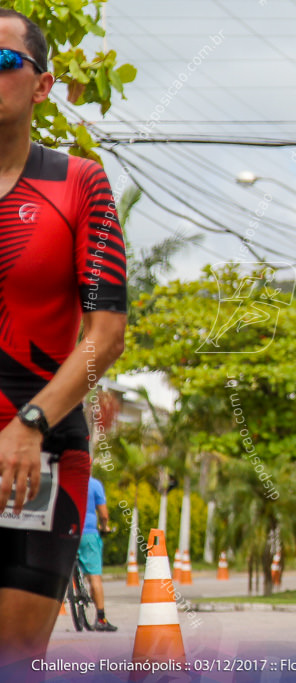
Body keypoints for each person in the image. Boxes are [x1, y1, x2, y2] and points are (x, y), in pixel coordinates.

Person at [0, 9, 127, 675]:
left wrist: (32, 420)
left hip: (39, 454)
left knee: (15, 659)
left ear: (42, 84)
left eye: (4, 62)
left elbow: (105, 334)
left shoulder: (79, 182)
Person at [78, 476, 116, 630]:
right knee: (94, 576)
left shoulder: (64, 480)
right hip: (88, 533)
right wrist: (104, 527)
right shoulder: (94, 484)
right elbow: (104, 515)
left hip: (67, 531)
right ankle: (101, 619)